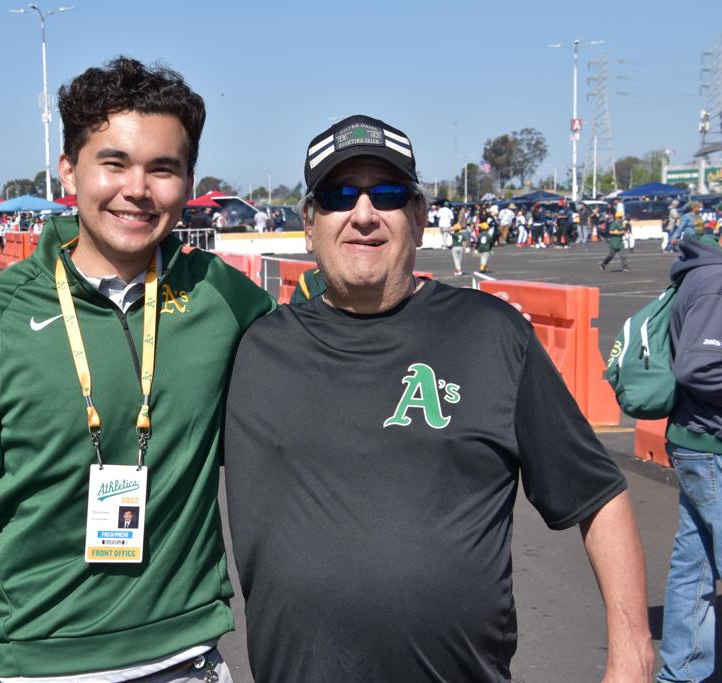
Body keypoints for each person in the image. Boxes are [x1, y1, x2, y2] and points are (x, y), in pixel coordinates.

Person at [223, 114, 654, 682]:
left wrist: (632, 656)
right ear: (308, 224)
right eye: (338, 196)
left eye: (388, 194)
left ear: (420, 217)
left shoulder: (490, 334)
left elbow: (596, 494)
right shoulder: (253, 349)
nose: (363, 214)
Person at [0, 57, 271, 683]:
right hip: (41, 664)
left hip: (188, 658)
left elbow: (321, 343)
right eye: (114, 163)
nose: (137, 189)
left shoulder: (222, 297)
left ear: (187, 181)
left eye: (162, 168)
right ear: (68, 170)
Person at [656, 233, 722, 683]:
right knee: (693, 566)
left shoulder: (699, 274)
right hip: (711, 443)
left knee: (694, 567)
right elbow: (699, 366)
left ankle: (682, 672)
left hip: (694, 439)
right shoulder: (717, 282)